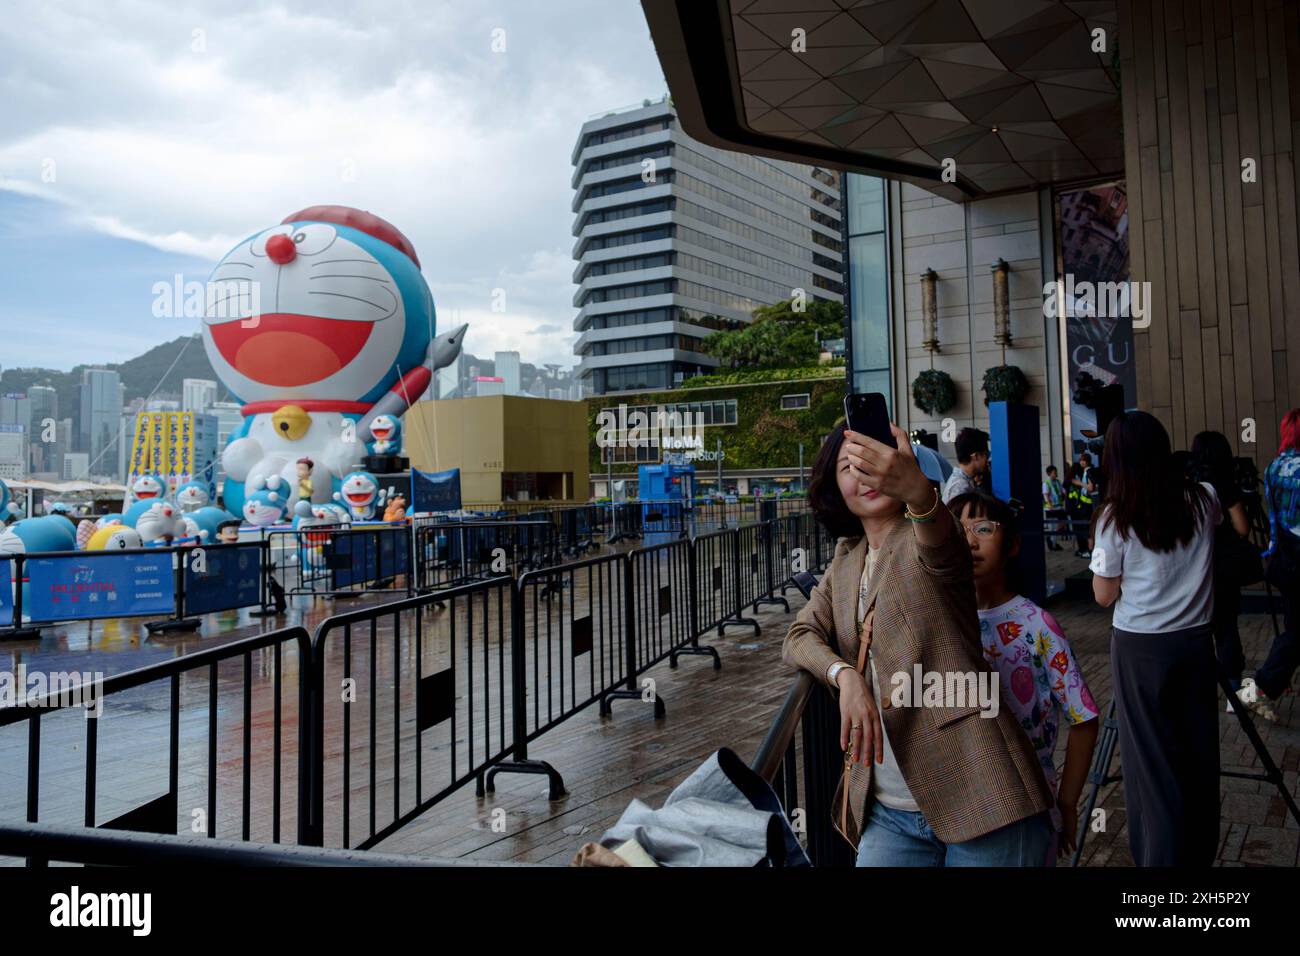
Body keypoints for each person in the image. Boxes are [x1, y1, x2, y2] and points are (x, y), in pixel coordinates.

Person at [783, 422, 1054, 866]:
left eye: (875, 461)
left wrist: (920, 496)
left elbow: (943, 546)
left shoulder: (931, 536)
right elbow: (799, 636)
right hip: (889, 810)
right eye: (847, 466)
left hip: (981, 791)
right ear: (833, 485)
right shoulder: (847, 558)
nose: (863, 474)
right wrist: (843, 674)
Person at [1089, 410, 1220, 866]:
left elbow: (1103, 596)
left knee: (1152, 766)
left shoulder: (1116, 517)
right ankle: (1199, 853)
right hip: (1198, 644)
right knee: (1199, 756)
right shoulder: (1205, 499)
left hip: (1141, 649)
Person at [947, 491, 1100, 862]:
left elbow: (1084, 718)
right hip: (954, 807)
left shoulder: (1037, 625)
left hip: (1025, 808)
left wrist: (1066, 801)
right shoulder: (941, 622)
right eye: (957, 529)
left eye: (984, 528)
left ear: (1013, 544)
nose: (969, 540)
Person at [1237, 408, 1300, 722]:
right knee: (1296, 635)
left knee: (1294, 629)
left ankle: (1255, 691)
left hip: (1284, 559)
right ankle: (1254, 691)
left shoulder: (1275, 466)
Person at [1189, 430, 1253, 700]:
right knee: (1226, 629)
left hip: (1192, 568)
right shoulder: (1225, 484)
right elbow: (1242, 528)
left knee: (1197, 630)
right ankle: (1233, 691)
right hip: (1223, 568)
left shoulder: (1189, 483)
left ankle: (1198, 690)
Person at [941, 427, 990, 504]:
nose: (988, 459)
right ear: (976, 456)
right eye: (986, 454)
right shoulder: (960, 489)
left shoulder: (967, 481)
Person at [1070, 453, 1096, 557]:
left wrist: (1079, 483)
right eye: (1080, 460)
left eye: (1083, 460)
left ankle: (1090, 551)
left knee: (1088, 529)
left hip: (1088, 505)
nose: (1081, 462)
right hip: (1086, 504)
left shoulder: (1089, 471)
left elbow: (1090, 488)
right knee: (1087, 529)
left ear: (1088, 461)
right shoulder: (1086, 471)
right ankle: (1090, 551)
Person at [1042, 465, 1067, 551]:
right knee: (1052, 526)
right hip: (1051, 508)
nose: (1056, 474)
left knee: (1063, 521)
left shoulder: (1058, 482)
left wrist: (1063, 497)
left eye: (1056, 472)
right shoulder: (1046, 483)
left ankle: (1052, 540)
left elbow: (1063, 491)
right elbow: (1046, 495)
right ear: (1049, 473)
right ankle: (1053, 544)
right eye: (1054, 472)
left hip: (1059, 507)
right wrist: (1050, 505)